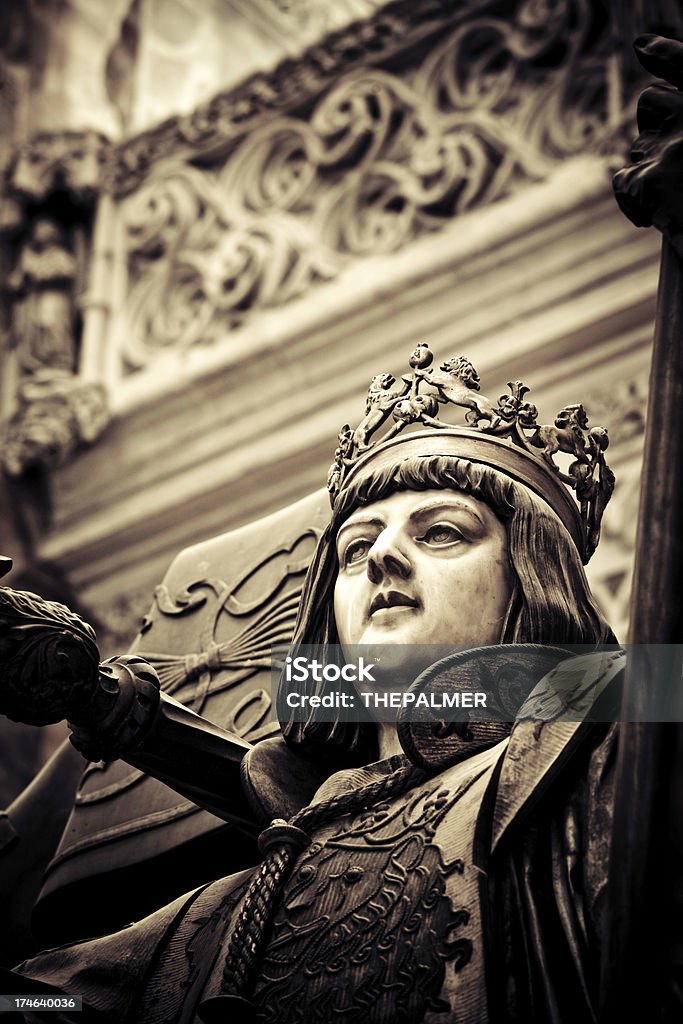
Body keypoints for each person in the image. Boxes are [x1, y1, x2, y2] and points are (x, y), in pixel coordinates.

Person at [3, 31, 683, 1024]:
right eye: (355, 549)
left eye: (440, 532)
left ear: (531, 582)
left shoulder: (588, 788)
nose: (383, 561)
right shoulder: (230, 905)